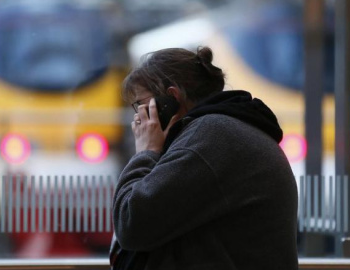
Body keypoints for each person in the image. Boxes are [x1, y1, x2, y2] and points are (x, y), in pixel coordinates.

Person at [110, 46, 298, 270]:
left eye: (142, 106)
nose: (138, 119)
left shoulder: (211, 136)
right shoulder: (221, 130)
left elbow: (132, 224)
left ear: (170, 99)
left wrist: (146, 152)